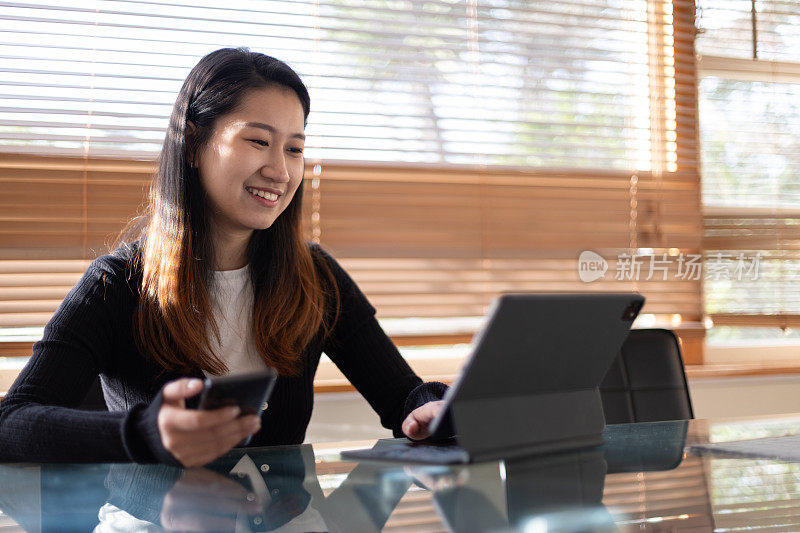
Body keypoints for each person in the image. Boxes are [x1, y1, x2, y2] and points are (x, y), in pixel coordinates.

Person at [0, 47, 447, 467]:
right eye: (258, 141)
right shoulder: (117, 283)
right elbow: (10, 423)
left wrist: (429, 408)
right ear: (193, 144)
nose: (281, 170)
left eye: (295, 148)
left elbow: (401, 396)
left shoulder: (315, 276)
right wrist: (143, 434)